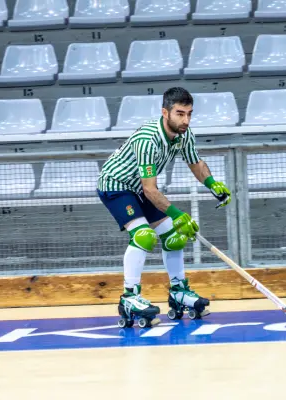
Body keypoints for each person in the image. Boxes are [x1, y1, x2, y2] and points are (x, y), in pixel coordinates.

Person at [97, 87, 232, 327]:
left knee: (175, 237)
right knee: (144, 235)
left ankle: (178, 292)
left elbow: (195, 162)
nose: (186, 120)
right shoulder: (148, 139)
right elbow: (150, 189)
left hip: (140, 188)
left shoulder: (184, 134)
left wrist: (212, 184)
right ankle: (129, 297)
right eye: (180, 114)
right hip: (117, 184)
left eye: (189, 114)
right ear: (165, 112)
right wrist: (178, 214)